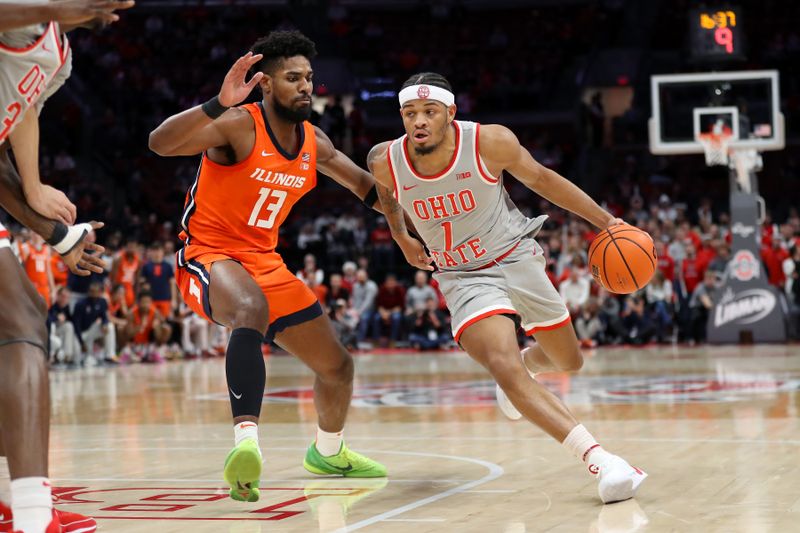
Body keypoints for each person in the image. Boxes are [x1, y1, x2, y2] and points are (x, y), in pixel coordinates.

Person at [367, 72, 646, 504]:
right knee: (503, 363)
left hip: (514, 254)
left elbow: (544, 180)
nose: (418, 121)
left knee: (568, 361)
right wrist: (402, 235)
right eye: (409, 113)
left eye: (429, 111)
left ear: (451, 113)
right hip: (462, 274)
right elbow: (387, 195)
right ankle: (602, 461)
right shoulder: (385, 159)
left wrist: (607, 222)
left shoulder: (488, 142)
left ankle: (526, 369)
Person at [149, 30, 387, 502]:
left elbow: (369, 190)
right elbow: (160, 143)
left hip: (265, 261)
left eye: (309, 78)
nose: (306, 86)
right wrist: (217, 102)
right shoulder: (238, 124)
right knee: (250, 310)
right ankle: (246, 445)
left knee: (337, 367)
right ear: (265, 84)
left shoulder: (313, 140)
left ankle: (328, 450)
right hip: (209, 255)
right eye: (293, 77)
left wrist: (419, 218)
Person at [0, 3, 132, 532]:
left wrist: (46, 215)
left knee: (23, 315)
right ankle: (33, 518)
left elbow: (18, 118)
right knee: (20, 323)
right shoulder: (27, 11)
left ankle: (22, 508)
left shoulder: (58, 57)